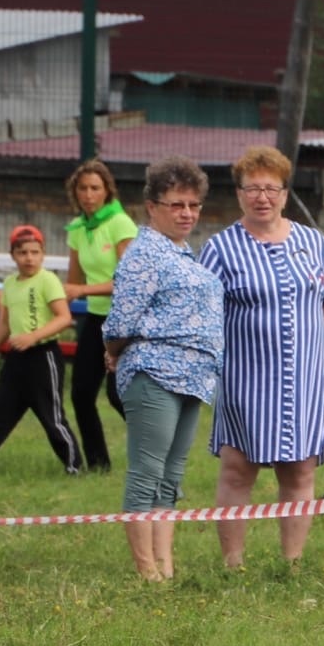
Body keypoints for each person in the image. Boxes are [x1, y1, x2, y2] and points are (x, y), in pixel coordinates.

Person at [200, 145, 324, 568]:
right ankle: (233, 564)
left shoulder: (312, 241)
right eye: (252, 188)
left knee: (300, 471)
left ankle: (291, 563)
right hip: (246, 378)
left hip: (306, 378)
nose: (262, 197)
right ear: (240, 193)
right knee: (238, 469)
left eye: (271, 188)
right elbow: (205, 313)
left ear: (284, 193)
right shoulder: (220, 248)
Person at [101, 157, 225, 581]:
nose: (187, 213)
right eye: (177, 204)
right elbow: (121, 321)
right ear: (152, 206)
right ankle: (146, 572)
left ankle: (166, 569)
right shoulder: (144, 254)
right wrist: (116, 351)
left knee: (171, 478)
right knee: (147, 473)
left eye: (193, 205)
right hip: (153, 372)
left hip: (194, 378)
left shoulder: (184, 254)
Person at [0, 225, 82, 474]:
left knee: (52, 417)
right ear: (13, 255)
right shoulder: (9, 283)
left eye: (34, 252)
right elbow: (5, 325)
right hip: (17, 359)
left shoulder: (48, 280)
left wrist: (33, 336)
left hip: (44, 355)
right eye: (22, 252)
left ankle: (74, 466)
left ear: (43, 254)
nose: (29, 258)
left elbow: (63, 318)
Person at [63, 159, 139, 471]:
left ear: (108, 191)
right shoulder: (78, 229)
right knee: (81, 394)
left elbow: (129, 280)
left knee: (117, 395)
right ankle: (98, 465)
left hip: (124, 318)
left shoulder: (120, 223)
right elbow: (73, 282)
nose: (89, 194)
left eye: (95, 188)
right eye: (83, 188)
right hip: (95, 319)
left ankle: (155, 451)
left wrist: (81, 291)